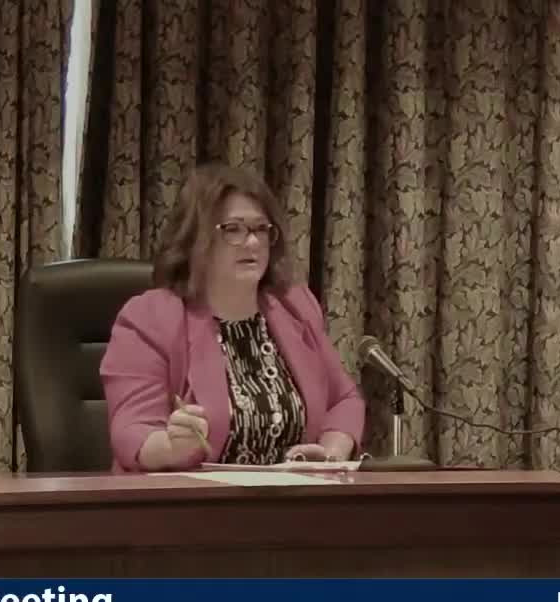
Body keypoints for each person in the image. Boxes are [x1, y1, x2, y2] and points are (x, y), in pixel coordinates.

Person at [100, 163, 364, 472]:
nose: (252, 243)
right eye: (233, 229)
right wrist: (171, 447)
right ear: (195, 239)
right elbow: (132, 431)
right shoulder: (150, 318)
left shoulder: (295, 306)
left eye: (260, 229)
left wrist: (329, 456)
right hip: (192, 499)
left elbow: (344, 400)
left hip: (294, 497)